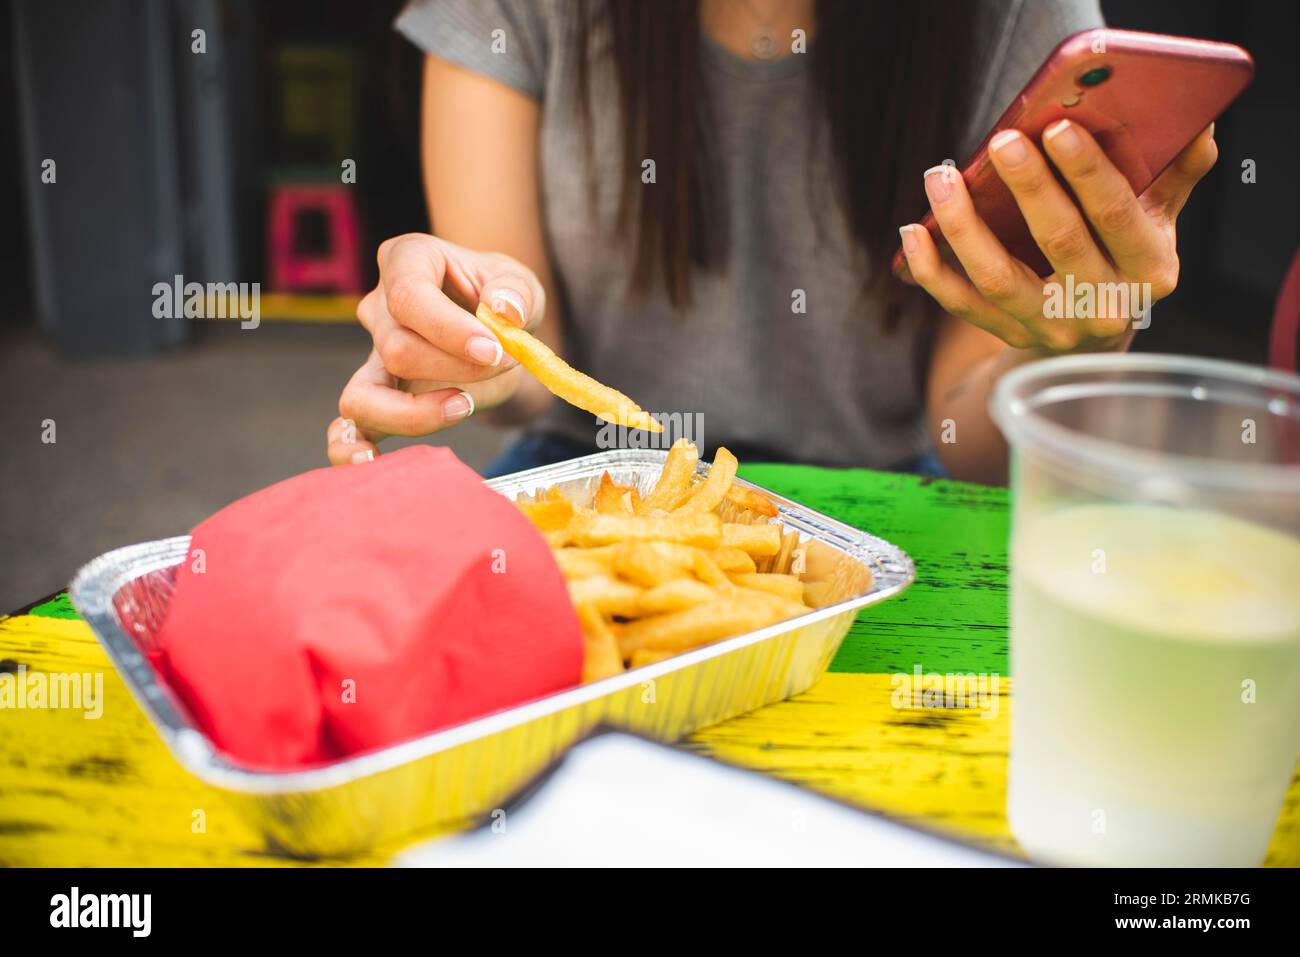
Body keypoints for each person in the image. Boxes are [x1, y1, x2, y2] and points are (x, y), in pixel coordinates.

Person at [325, 0, 1217, 484]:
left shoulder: (1015, 21)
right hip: (583, 470)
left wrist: (1076, 345)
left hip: (883, 489)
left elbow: (968, 440)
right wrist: (467, 337)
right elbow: (524, 361)